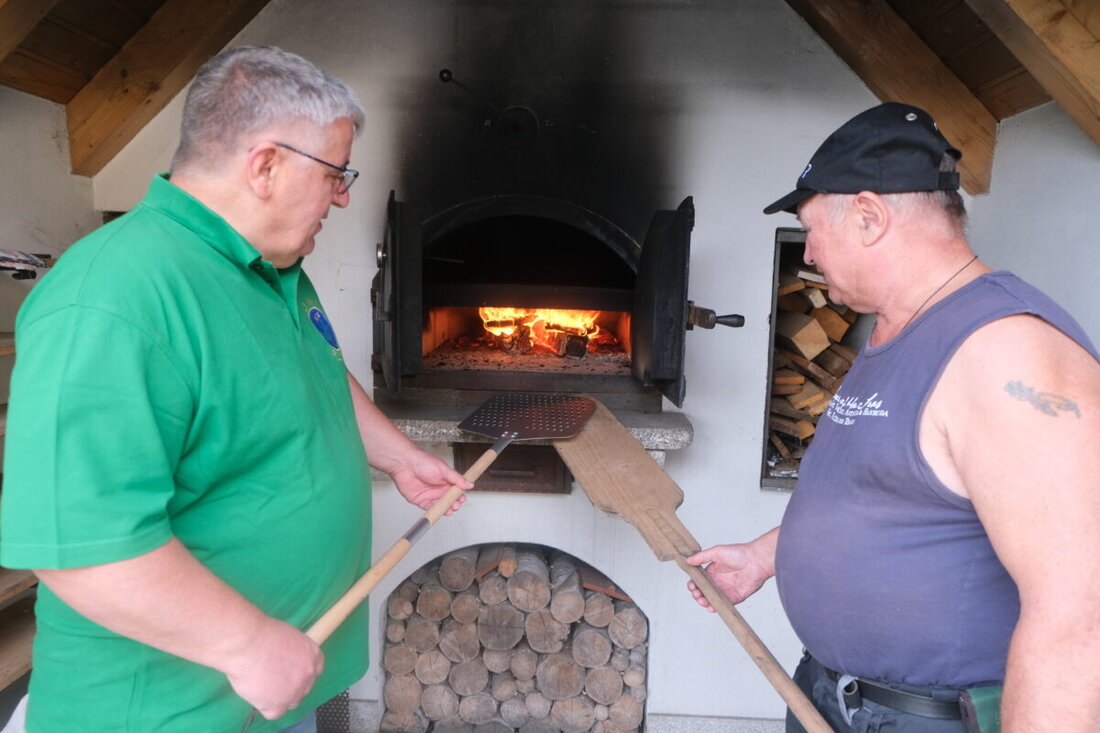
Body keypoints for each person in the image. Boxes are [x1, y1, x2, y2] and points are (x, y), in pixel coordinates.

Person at [0, 46, 473, 733]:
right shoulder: (112, 297)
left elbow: (311, 370)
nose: (343, 195)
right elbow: (78, 544)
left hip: (268, 692)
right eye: (336, 173)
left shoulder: (270, 264)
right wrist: (246, 641)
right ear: (266, 165)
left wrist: (397, 456)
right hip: (165, 713)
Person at [687, 103, 1100, 732]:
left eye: (813, 229)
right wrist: (769, 555)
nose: (813, 255)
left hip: (925, 718)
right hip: (832, 698)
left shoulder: (1007, 355)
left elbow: (1079, 617)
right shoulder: (894, 327)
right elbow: (888, 492)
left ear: (869, 216)